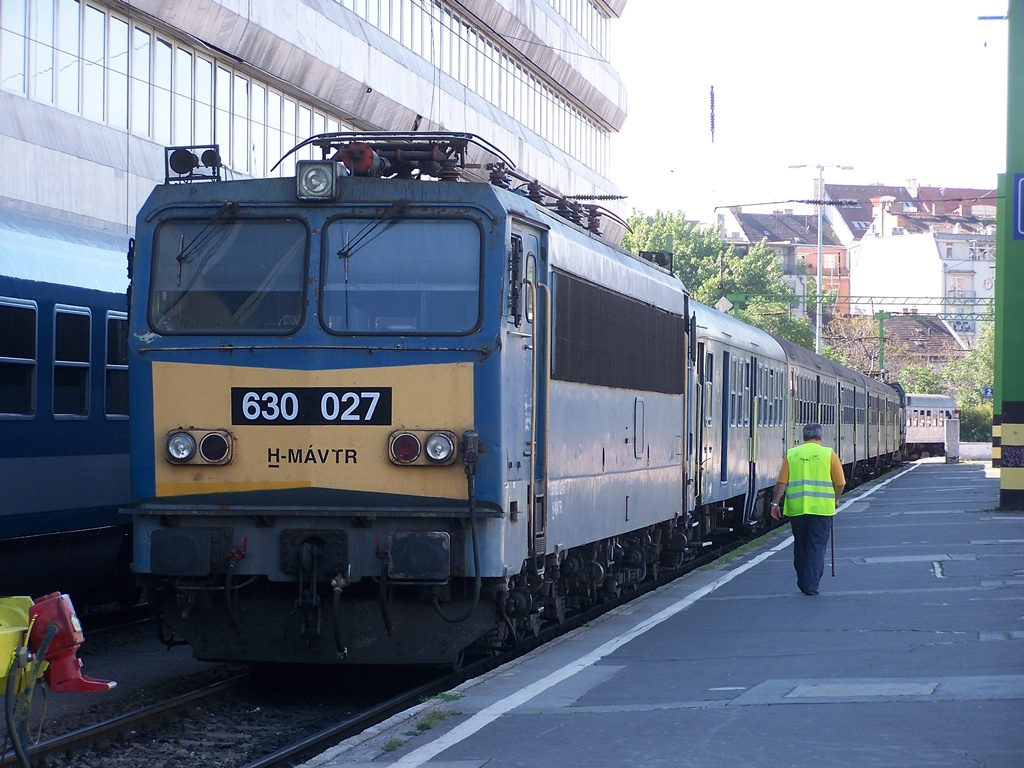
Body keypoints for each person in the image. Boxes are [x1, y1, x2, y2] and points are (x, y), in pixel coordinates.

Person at [769, 423, 846, 595]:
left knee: (800, 546)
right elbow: (840, 483)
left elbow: (782, 483)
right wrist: (836, 499)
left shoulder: (792, 454)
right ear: (821, 437)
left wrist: (775, 504)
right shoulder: (829, 454)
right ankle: (811, 584)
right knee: (816, 547)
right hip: (822, 509)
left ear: (803, 437)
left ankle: (803, 580)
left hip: (797, 509)